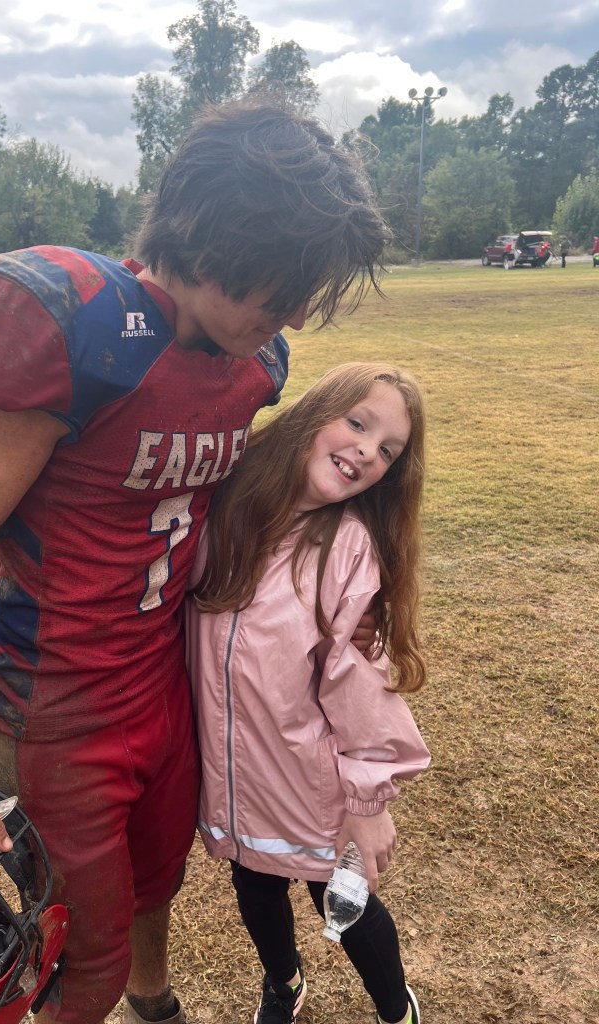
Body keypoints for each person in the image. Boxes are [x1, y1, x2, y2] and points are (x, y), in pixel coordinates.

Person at [0, 100, 389, 1024]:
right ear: (211, 239)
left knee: (155, 884)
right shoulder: (78, 330)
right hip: (53, 706)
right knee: (80, 956)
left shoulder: (255, 363)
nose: (292, 311)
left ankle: (155, 1008)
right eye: (280, 283)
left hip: (163, 685)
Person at [187, 363, 431, 1024]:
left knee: (343, 900)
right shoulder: (222, 507)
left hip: (309, 777)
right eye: (358, 423)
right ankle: (284, 982)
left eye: (388, 451)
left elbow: (359, 684)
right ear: (314, 414)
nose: (367, 451)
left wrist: (368, 799)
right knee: (253, 883)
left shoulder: (346, 548)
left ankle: (395, 1009)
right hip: (232, 775)